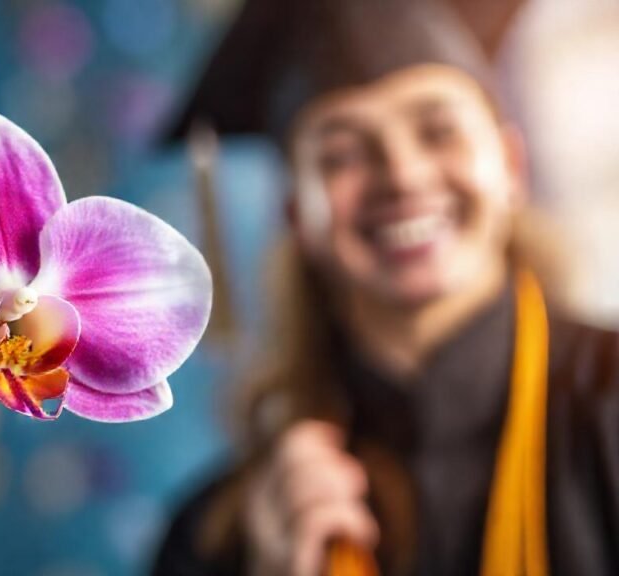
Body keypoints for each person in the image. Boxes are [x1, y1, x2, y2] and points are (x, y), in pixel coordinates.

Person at [152, 1, 619, 575]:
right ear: (299, 217)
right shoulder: (223, 534)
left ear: (511, 166)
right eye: (342, 154)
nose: (401, 175)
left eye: (439, 130)